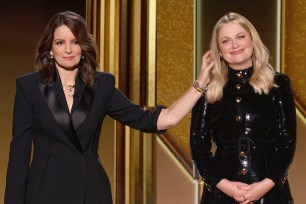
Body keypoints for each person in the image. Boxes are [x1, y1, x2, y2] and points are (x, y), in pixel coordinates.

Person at [5, 11, 214, 204]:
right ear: (50, 49)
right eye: (60, 42)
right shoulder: (29, 87)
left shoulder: (101, 86)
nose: (68, 49)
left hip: (91, 192)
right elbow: (19, 157)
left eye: (75, 42)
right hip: (44, 194)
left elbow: (158, 120)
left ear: (84, 48)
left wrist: (200, 84)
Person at [190, 12, 296, 204]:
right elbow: (198, 145)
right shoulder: (208, 88)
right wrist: (224, 185)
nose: (235, 45)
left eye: (240, 37)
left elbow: (287, 142)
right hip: (220, 194)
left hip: (270, 193)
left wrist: (265, 185)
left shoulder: (278, 84)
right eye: (226, 41)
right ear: (219, 50)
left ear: (252, 41)